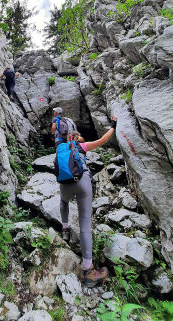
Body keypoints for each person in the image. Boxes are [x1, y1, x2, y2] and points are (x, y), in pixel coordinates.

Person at [60, 117, 117, 287]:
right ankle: (88, 271)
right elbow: (104, 140)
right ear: (78, 137)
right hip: (83, 182)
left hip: (66, 185)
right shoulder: (82, 146)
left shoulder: (60, 147)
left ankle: (65, 228)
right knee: (85, 225)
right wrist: (114, 125)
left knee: (63, 201)